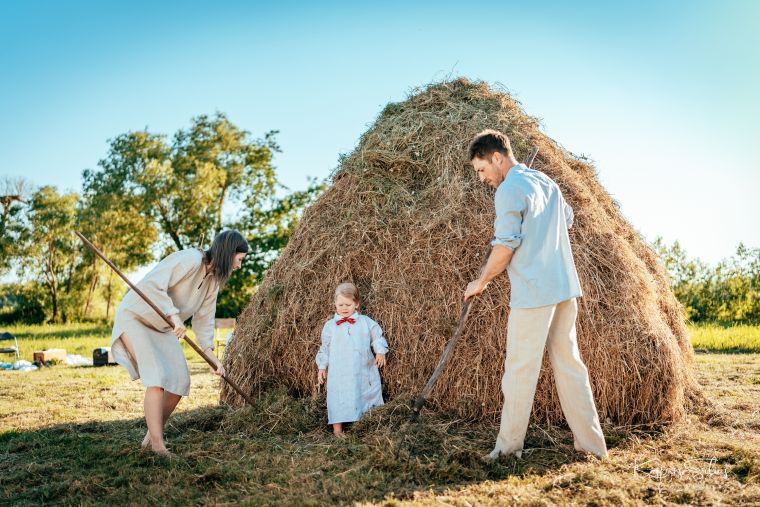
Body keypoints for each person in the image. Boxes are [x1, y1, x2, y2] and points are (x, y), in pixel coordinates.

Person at [463, 129, 608, 460]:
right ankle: (593, 447)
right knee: (571, 367)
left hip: (533, 294)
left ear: (497, 157)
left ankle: (507, 449)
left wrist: (481, 281)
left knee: (518, 372)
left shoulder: (508, 191)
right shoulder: (547, 183)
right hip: (565, 289)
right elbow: (567, 220)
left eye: (482, 169)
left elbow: (504, 247)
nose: (482, 178)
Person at [111, 230, 249, 455]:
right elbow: (153, 285)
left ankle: (150, 438)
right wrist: (174, 315)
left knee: (179, 381)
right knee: (156, 378)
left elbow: (204, 321)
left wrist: (211, 358)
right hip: (136, 317)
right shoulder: (190, 259)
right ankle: (158, 446)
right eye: (239, 260)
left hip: (164, 327)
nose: (239, 266)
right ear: (228, 252)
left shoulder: (213, 283)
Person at [316, 282, 388, 437]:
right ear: (334, 303)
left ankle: (365, 424)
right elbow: (325, 348)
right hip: (339, 370)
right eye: (340, 304)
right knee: (338, 396)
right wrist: (322, 367)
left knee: (363, 392)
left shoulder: (365, 322)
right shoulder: (330, 326)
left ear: (356, 304)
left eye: (348, 304)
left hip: (361, 366)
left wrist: (380, 352)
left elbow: (376, 337)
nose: (344, 308)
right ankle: (337, 430)